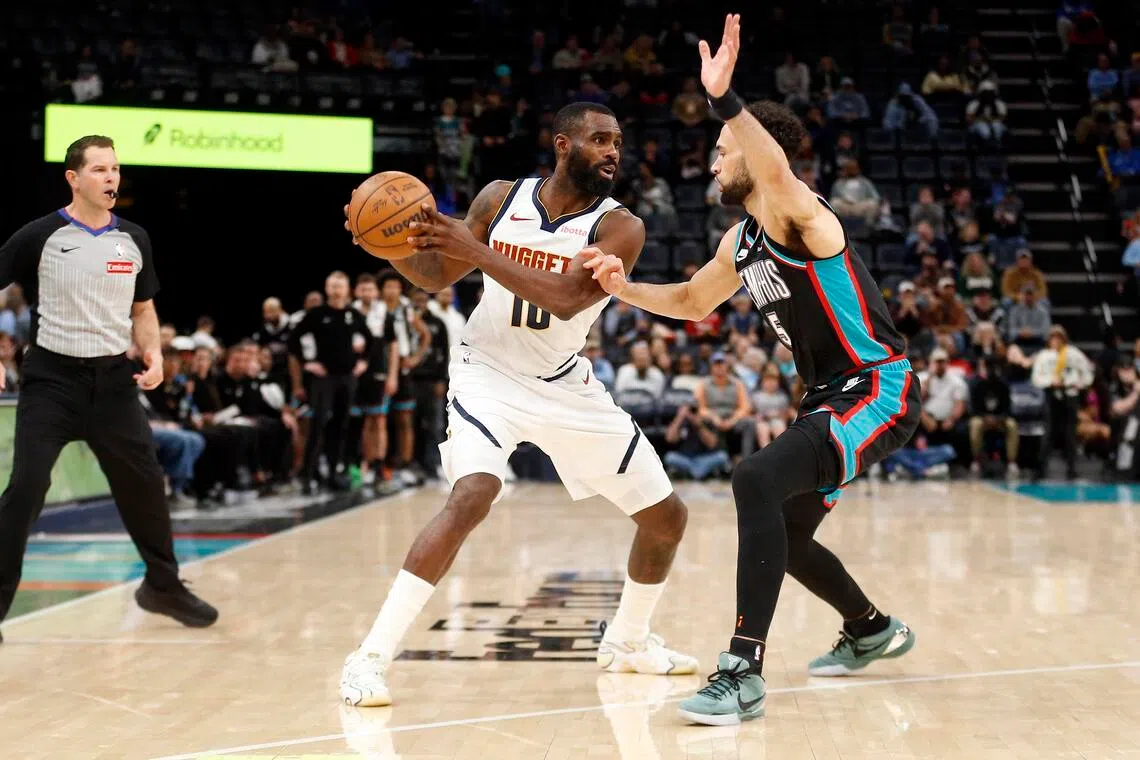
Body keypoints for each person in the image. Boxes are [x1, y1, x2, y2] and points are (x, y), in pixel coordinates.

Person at [585, 16, 920, 725]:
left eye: (719, 151)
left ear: (753, 153)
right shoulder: (740, 241)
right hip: (829, 397)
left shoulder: (804, 217)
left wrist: (726, 102)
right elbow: (689, 300)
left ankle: (741, 669)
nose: (710, 162)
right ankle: (869, 628)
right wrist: (622, 290)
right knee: (789, 535)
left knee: (754, 478)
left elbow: (772, 169)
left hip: (877, 387)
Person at [337, 101, 697, 707]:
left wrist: (478, 252)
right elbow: (432, 275)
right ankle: (368, 657)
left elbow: (564, 300)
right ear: (563, 144)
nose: (614, 151)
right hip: (489, 372)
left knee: (667, 520)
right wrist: (387, 245)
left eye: (619, 142)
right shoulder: (500, 199)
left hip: (563, 379)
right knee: (474, 493)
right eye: (600, 140)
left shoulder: (619, 227)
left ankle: (629, 642)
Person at [0, 135, 217, 642]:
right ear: (73, 179)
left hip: (114, 384)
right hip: (52, 381)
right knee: (27, 488)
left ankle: (162, 585)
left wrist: (155, 354)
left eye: (115, 168)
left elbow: (143, 309)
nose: (111, 177)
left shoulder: (134, 239)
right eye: (99, 169)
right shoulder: (41, 235)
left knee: (144, 485)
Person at [288, 271, 371, 493]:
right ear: (327, 289)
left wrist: (363, 362)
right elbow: (293, 340)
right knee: (318, 423)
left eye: (340, 286)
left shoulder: (353, 314)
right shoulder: (317, 314)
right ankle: (308, 474)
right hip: (323, 379)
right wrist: (308, 363)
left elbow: (371, 341)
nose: (336, 290)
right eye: (333, 286)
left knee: (341, 425)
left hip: (347, 378)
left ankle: (334, 471)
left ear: (347, 289)